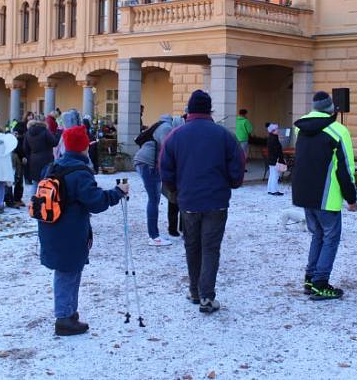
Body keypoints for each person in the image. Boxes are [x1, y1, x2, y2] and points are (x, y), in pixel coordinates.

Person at [160, 90, 244, 314]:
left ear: (189, 110)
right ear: (209, 110)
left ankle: (195, 291)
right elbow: (237, 166)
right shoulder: (224, 135)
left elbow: (165, 169)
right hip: (216, 201)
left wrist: (175, 191)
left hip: (188, 201)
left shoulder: (175, 136)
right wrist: (232, 183)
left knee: (192, 246)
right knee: (210, 248)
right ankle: (206, 296)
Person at [38, 125, 127, 336]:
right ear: (84, 147)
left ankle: (68, 312)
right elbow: (96, 202)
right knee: (68, 272)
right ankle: (64, 319)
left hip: (52, 228)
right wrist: (117, 192)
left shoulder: (53, 166)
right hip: (70, 231)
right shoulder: (79, 172)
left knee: (68, 271)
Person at [292, 91, 357, 300]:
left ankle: (311, 278)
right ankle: (320, 282)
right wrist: (351, 197)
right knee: (330, 238)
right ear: (331, 109)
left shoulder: (299, 128)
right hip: (327, 195)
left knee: (317, 235)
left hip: (304, 193)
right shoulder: (338, 131)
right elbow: (345, 168)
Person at [133, 114, 184, 246]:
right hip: (148, 164)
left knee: (155, 198)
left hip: (145, 163)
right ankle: (154, 236)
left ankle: (154, 234)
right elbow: (168, 151)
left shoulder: (161, 125)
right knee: (153, 199)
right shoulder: (166, 128)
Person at [24, 118, 59, 199]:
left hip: (33, 160)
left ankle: (33, 201)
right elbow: (54, 143)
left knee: (35, 182)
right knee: (46, 181)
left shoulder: (27, 133)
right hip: (46, 159)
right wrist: (57, 134)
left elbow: (25, 148)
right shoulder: (45, 131)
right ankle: (44, 201)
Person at [266, 123, 286, 196]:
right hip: (275, 160)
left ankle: (270, 189)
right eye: (276, 129)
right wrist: (281, 159)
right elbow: (278, 151)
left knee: (272, 175)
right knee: (275, 175)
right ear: (273, 131)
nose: (278, 130)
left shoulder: (271, 138)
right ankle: (274, 190)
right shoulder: (274, 139)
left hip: (271, 159)